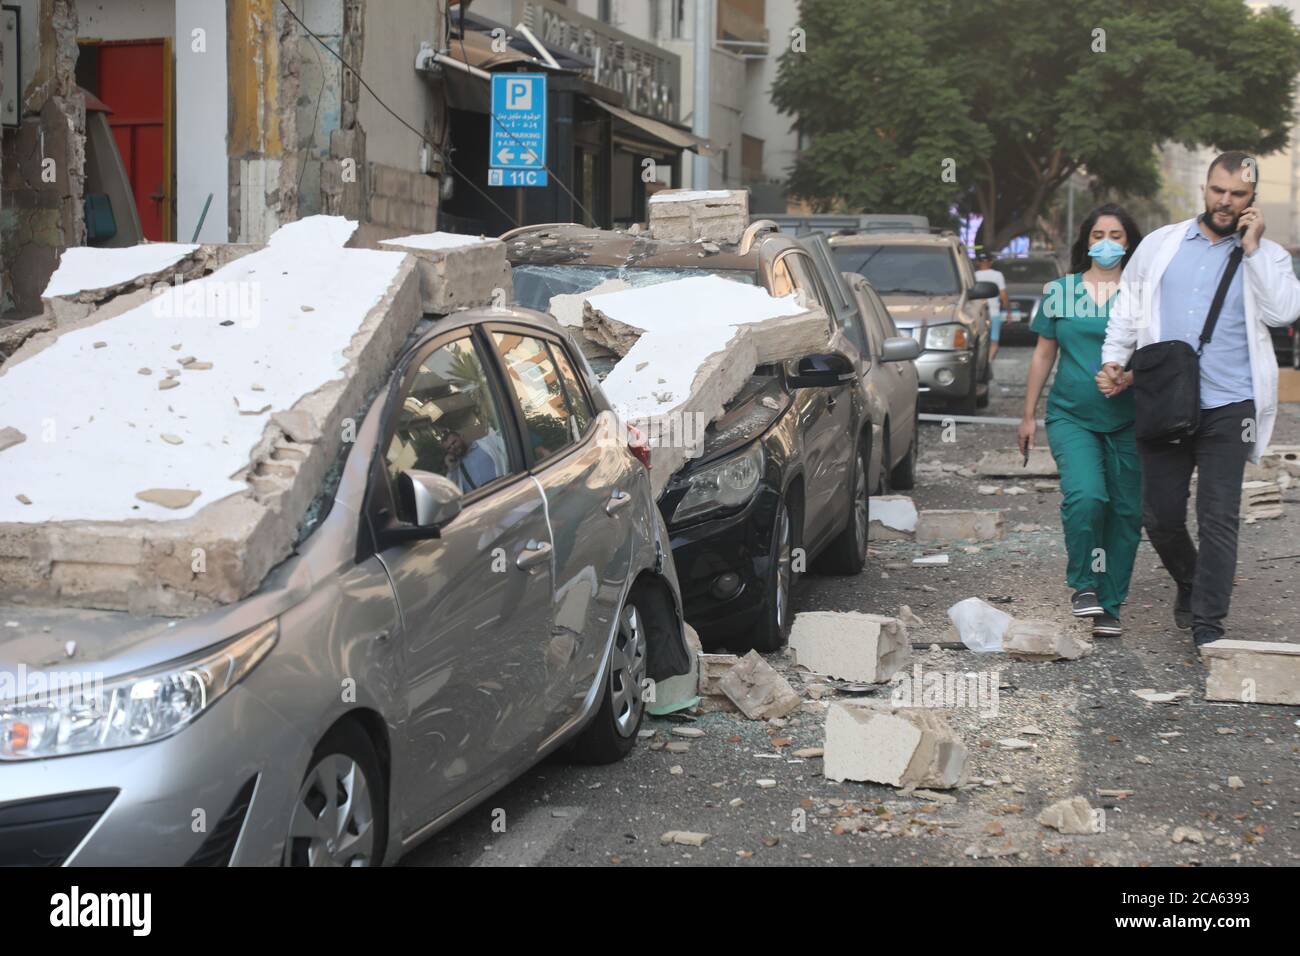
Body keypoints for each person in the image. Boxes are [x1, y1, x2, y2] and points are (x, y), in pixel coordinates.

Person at [1097, 151, 1300, 649]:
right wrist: (1114, 359)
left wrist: (1251, 249)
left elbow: (1283, 313)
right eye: (1218, 191)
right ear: (1205, 188)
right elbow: (1130, 305)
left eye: (1237, 195)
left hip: (1233, 406)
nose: (1225, 202)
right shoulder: (1161, 244)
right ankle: (1190, 579)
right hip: (1167, 398)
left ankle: (1209, 624)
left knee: (1219, 516)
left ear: (1252, 201)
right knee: (1160, 515)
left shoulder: (1268, 256)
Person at [1018, 204, 1143, 637]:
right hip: (1072, 415)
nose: (1106, 243)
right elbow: (1043, 354)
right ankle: (1085, 585)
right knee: (1088, 497)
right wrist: (1028, 415)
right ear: (1086, 242)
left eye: (1116, 235)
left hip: (1131, 420)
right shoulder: (1061, 291)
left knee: (1126, 513)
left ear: (1129, 243)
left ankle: (1111, 605)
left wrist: (1129, 377)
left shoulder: (1143, 293)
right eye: (1097, 235)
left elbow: (1163, 354)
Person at [974, 248, 1010, 365]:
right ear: (991, 262)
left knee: (979, 340)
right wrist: (1008, 312)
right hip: (994, 313)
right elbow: (1003, 295)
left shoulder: (973, 276)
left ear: (978, 262)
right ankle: (988, 363)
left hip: (977, 314)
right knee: (994, 341)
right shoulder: (997, 275)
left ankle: (980, 364)